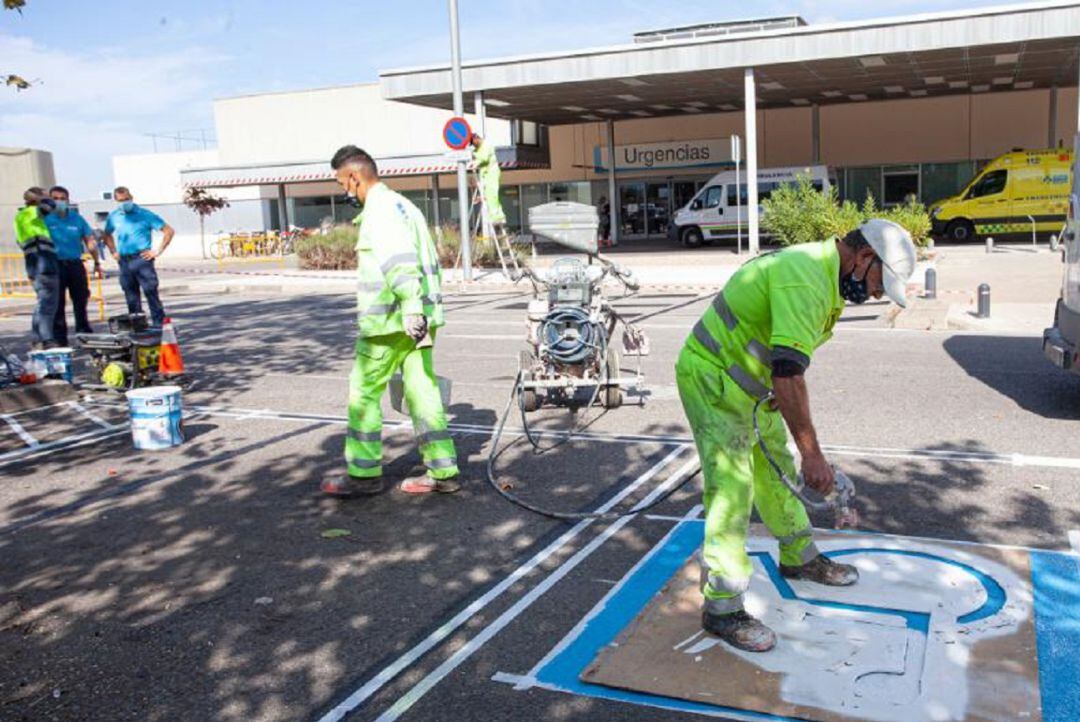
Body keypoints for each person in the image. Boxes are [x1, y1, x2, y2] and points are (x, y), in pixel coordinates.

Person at [676, 219, 916, 653]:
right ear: (864, 258)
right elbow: (789, 373)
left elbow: (780, 366)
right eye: (882, 281)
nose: (879, 293)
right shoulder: (803, 278)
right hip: (712, 379)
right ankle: (722, 607)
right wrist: (815, 456)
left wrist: (800, 447)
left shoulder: (826, 276)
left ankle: (799, 558)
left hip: (752, 386)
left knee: (776, 471)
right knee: (733, 488)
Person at [322, 145, 460, 497]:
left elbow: (400, 262)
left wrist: (410, 307)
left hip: (390, 323)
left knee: (363, 393)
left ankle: (364, 475)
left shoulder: (380, 211)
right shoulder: (405, 206)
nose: (344, 191)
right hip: (418, 320)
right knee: (422, 390)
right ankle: (443, 472)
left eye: (342, 183)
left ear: (354, 177)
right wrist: (419, 312)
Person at [101, 187, 174, 326]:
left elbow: (168, 231)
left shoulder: (145, 214)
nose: (124, 203)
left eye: (126, 199)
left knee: (151, 292)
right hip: (124, 261)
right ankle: (138, 326)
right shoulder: (114, 216)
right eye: (120, 200)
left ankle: (159, 325)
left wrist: (157, 251)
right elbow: (107, 234)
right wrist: (113, 251)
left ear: (131, 198)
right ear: (116, 201)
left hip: (142, 259)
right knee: (131, 296)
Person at [44, 185, 100, 345]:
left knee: (81, 300)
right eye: (55, 199)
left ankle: (83, 333)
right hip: (55, 266)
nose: (59, 202)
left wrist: (96, 261)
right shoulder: (45, 219)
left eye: (63, 199)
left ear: (68, 200)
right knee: (58, 303)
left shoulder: (77, 218)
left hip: (75, 264)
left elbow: (89, 240)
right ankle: (59, 339)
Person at [12, 187, 60, 349]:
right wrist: (46, 197)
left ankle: (37, 338)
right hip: (45, 263)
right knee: (48, 305)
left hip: (33, 265)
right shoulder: (34, 212)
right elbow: (50, 206)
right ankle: (47, 339)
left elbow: (20, 242)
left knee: (41, 303)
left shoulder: (19, 216)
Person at [469, 132, 506, 237]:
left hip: (492, 173)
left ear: (476, 138)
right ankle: (498, 216)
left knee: (492, 195)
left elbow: (484, 158)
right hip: (485, 174)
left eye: (473, 142)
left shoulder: (487, 145)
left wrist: (475, 162)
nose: (473, 145)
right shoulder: (477, 149)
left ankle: (496, 217)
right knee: (488, 195)